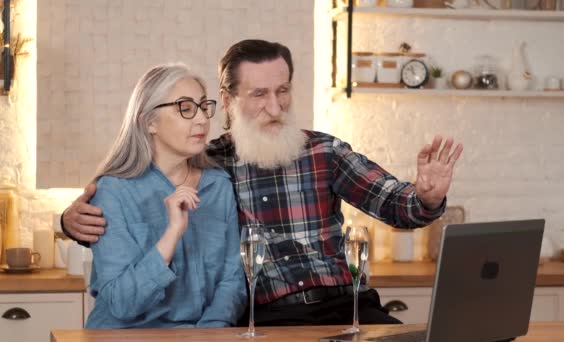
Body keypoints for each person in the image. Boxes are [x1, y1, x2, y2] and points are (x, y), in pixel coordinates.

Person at [62, 39, 463, 326]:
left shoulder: (323, 152)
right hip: (272, 315)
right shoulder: (212, 160)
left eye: (283, 90)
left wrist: (425, 196)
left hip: (348, 303)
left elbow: (393, 203)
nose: (275, 107)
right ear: (230, 98)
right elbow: (127, 206)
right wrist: (69, 221)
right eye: (259, 94)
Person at [83, 63, 246, 329]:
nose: (202, 119)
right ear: (150, 122)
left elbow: (232, 281)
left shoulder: (218, 186)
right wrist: (171, 234)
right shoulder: (112, 191)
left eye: (203, 106)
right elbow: (121, 303)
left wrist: (209, 333)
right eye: (185, 108)